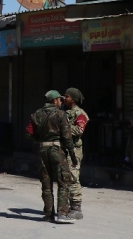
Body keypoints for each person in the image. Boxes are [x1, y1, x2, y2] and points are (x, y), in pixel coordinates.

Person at [26, 90, 78, 224]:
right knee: (63, 181)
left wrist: (40, 140)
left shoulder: (36, 114)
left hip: (43, 150)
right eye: (60, 100)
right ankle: (62, 213)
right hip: (57, 150)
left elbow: (29, 133)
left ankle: (48, 214)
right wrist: (72, 155)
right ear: (55, 101)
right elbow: (67, 137)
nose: (61, 102)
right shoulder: (61, 114)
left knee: (46, 183)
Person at [63, 88, 89, 220]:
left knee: (73, 177)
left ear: (73, 99)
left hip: (74, 150)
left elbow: (79, 130)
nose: (64, 98)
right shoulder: (65, 112)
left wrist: (63, 129)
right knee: (65, 177)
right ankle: (66, 206)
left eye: (67, 96)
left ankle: (76, 207)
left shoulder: (80, 114)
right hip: (65, 149)